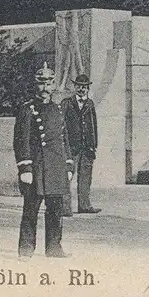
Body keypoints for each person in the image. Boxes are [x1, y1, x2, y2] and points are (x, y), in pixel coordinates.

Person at [13, 62, 74, 260]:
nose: (45, 88)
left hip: (56, 166)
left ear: (53, 85)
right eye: (41, 83)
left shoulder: (58, 109)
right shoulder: (27, 109)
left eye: (48, 84)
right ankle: (26, 249)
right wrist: (25, 167)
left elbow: (65, 139)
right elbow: (20, 141)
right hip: (37, 167)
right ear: (36, 85)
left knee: (56, 210)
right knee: (31, 209)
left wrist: (68, 164)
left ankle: (54, 247)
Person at [61, 74, 101, 215]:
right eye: (79, 86)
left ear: (88, 88)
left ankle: (84, 205)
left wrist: (94, 145)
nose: (81, 89)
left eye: (84, 87)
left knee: (85, 177)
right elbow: (62, 124)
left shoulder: (90, 104)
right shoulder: (67, 103)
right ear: (75, 87)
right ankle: (65, 208)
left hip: (87, 147)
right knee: (67, 176)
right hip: (72, 147)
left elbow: (93, 125)